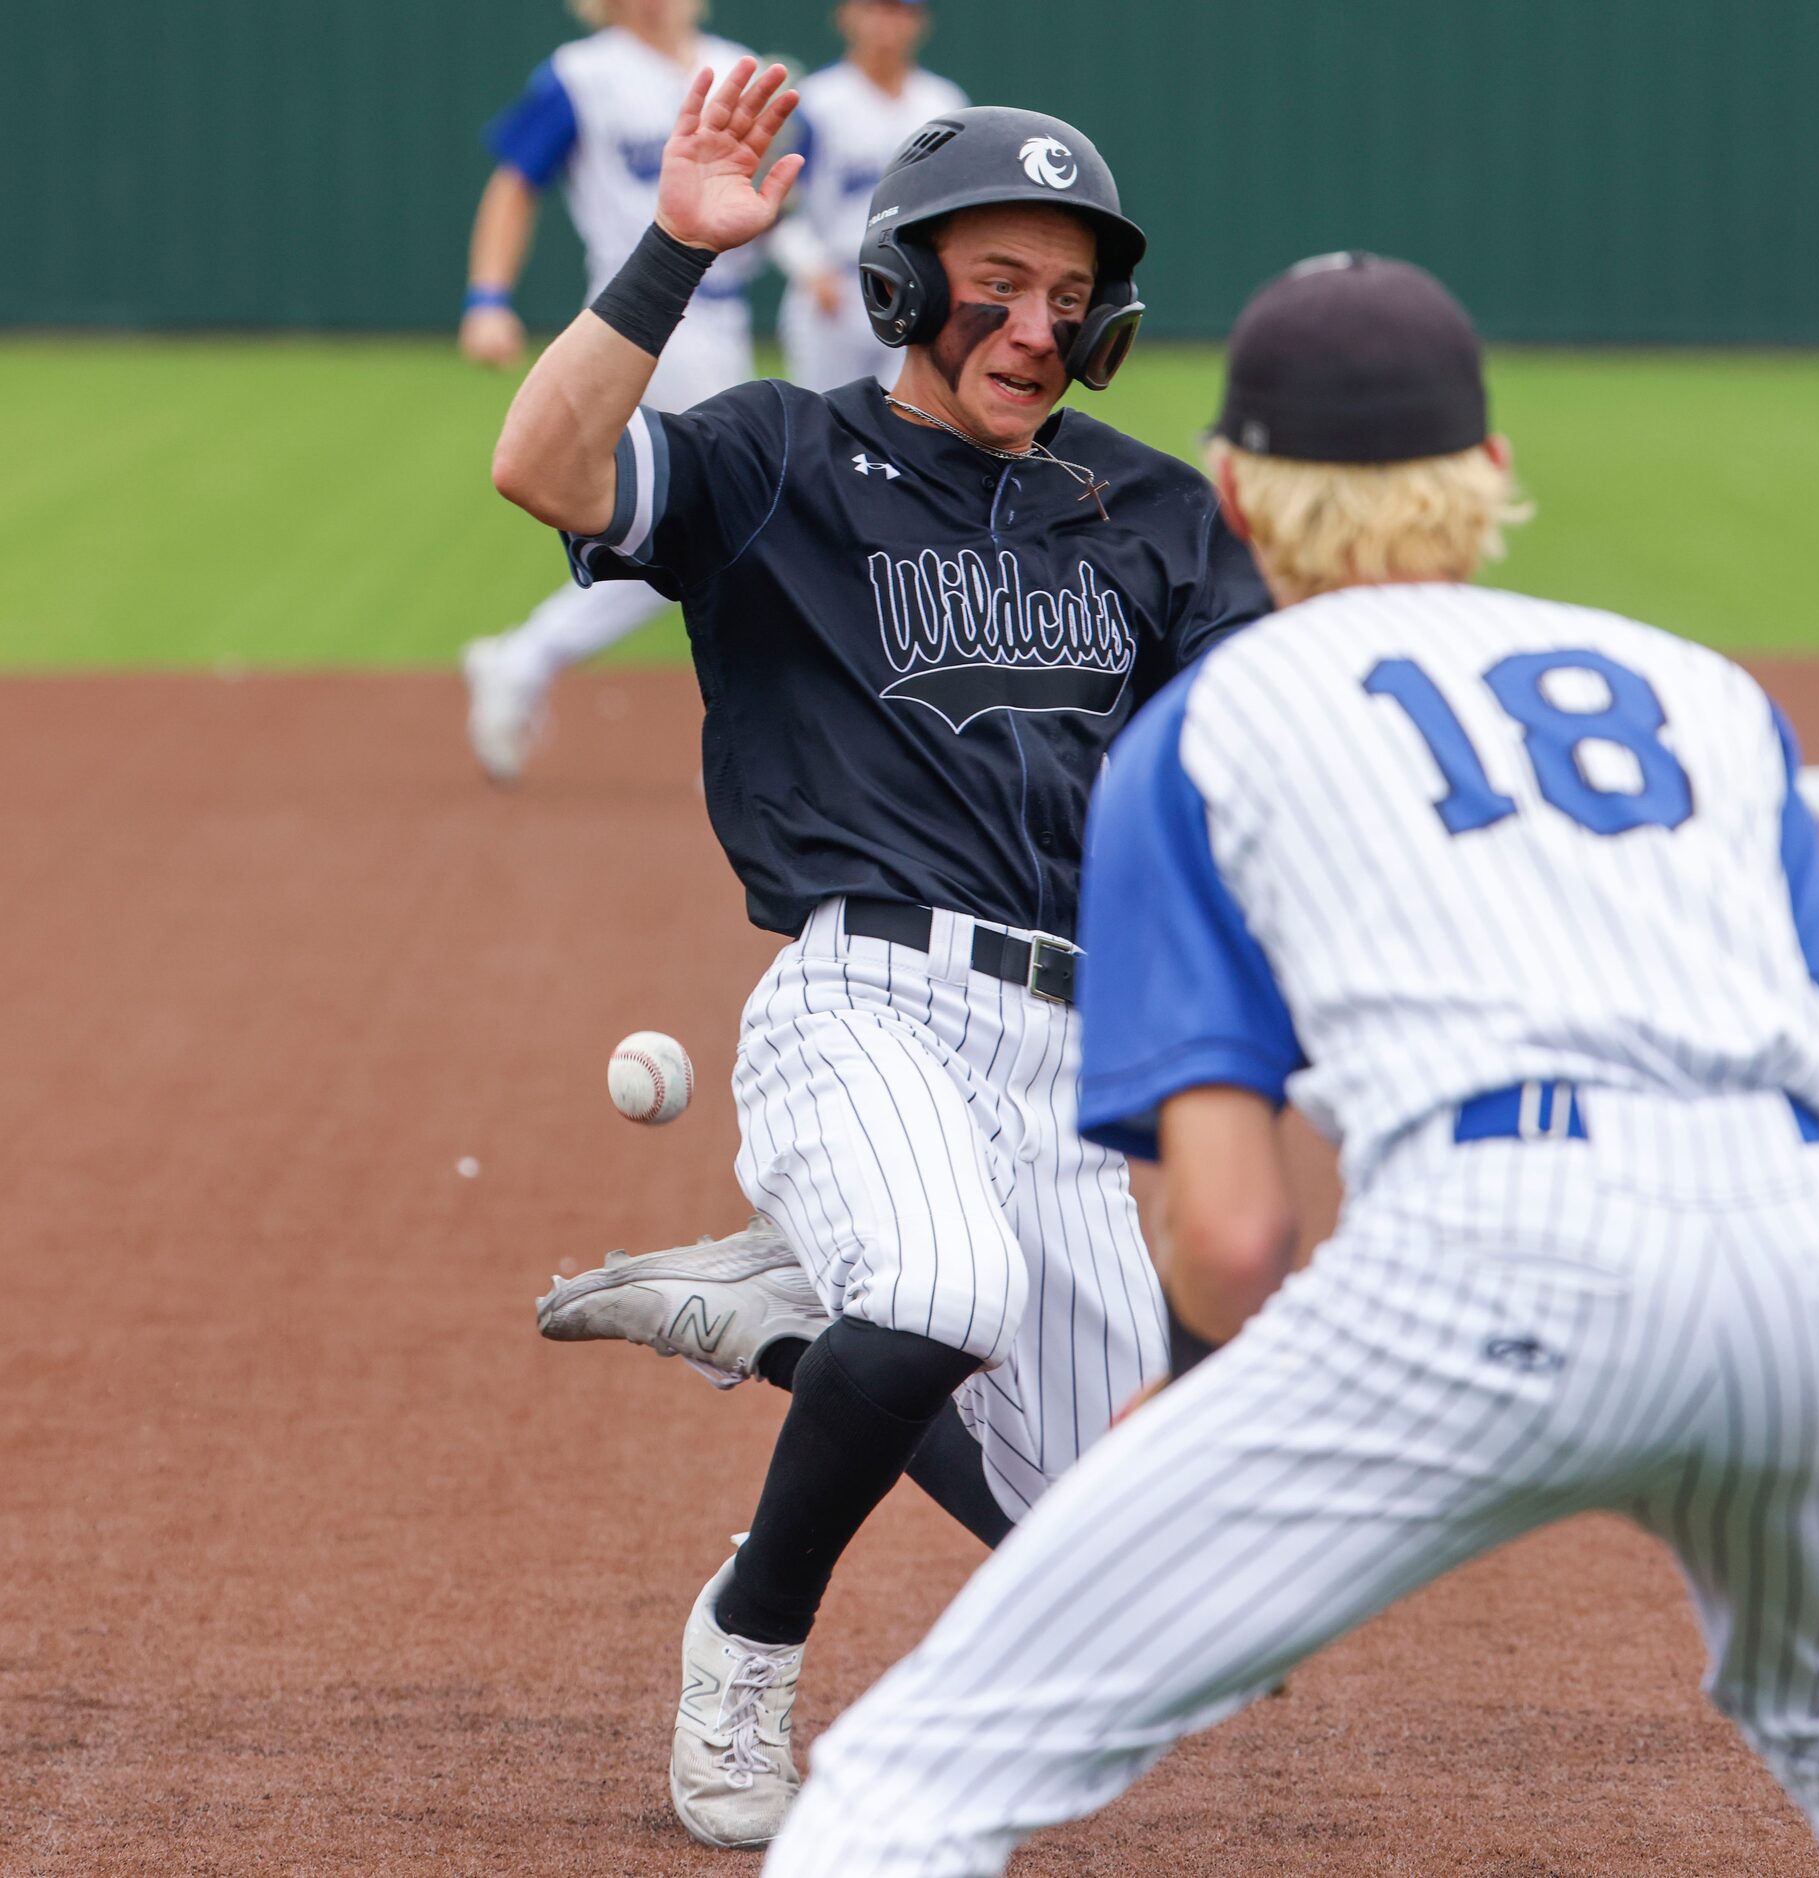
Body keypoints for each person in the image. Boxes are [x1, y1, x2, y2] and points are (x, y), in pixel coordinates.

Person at [759, 255, 1819, 1876]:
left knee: (918, 1768)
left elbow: (1232, 1229)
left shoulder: (1212, 724)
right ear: (1491, 477)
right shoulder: (1701, 692)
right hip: (1815, 1264)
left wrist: (1187, 1425)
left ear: (1233, 489)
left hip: (1498, 1256)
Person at [494, 63, 1269, 1847]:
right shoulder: (779, 459)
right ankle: (749, 1645)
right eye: (999, 281)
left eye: (1073, 299)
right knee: (938, 1293)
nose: (1037, 326)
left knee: (1154, 1602)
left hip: (1080, 1053)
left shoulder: (1148, 512)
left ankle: (792, 1326)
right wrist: (673, 258)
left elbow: (1257, 761)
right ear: (906, 282)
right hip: (866, 998)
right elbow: (540, 463)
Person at [458, 0, 761, 783]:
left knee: (700, 532)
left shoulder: (733, 63)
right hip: (639, 324)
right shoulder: (581, 74)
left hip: (723, 323)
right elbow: (514, 182)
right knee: (724, 526)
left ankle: (523, 657)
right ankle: (752, 730)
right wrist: (487, 298)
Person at [765, 0, 967, 392]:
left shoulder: (943, 103)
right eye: (874, 9)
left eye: (899, 12)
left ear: (920, 23)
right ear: (846, 16)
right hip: (836, 286)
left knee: (910, 421)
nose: (885, 24)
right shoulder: (816, 102)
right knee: (825, 426)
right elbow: (777, 202)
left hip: (917, 281)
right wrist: (810, 268)